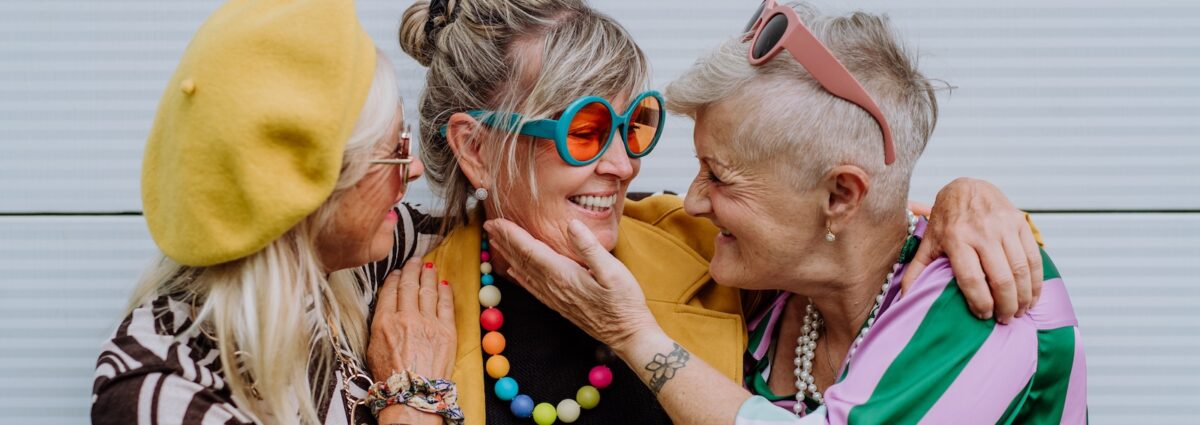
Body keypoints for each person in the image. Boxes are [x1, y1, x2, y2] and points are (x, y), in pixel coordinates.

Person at [393, 0, 1046, 423]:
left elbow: (854, 230)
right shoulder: (397, 291)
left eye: (635, 122)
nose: (625, 164)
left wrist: (968, 201)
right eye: (586, 130)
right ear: (476, 149)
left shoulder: (702, 254)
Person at [90, 1, 457, 424]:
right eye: (394, 151)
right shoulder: (162, 394)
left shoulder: (346, 264)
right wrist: (411, 401)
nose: (412, 171)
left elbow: (490, 233)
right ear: (311, 193)